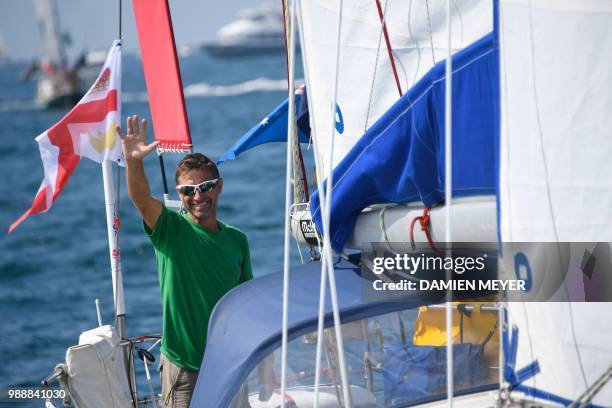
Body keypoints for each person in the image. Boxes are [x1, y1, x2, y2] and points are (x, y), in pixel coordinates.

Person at [116, 115, 253, 407]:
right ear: (179, 194)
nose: (197, 196)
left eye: (206, 187)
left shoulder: (237, 240)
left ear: (219, 187)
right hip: (184, 369)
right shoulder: (170, 230)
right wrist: (134, 161)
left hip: (231, 366)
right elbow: (141, 198)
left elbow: (246, 303)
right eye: (188, 191)